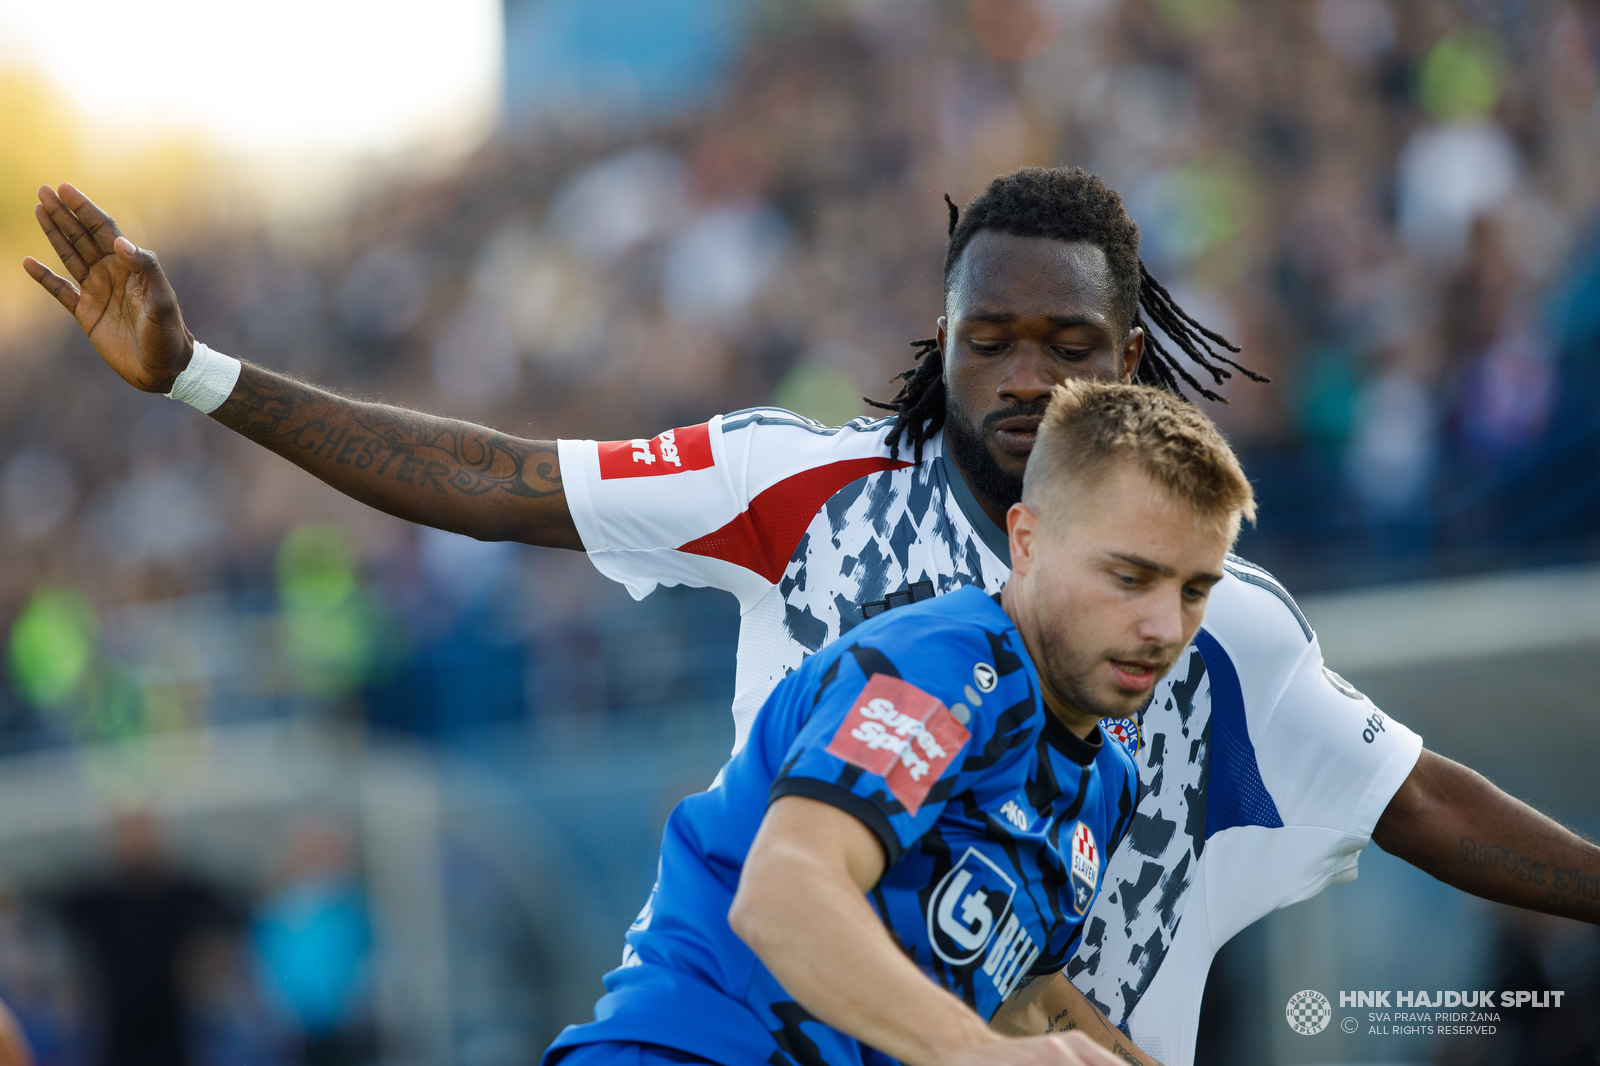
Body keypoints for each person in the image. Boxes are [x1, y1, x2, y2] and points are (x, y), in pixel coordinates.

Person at [22, 168, 1600, 1064]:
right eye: (994, 338)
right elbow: (502, 475)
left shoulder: (1212, 616)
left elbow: (1419, 798)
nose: (1028, 375)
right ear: (946, 341)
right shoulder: (811, 497)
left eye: (1070, 340)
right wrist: (203, 377)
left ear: (1131, 353)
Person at [546, 378, 1253, 1066]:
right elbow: (784, 893)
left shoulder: (1106, 782)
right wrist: (971, 1051)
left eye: (1194, 590)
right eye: (1130, 578)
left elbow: (1020, 1000)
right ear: (1027, 541)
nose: (1166, 626)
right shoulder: (947, 672)